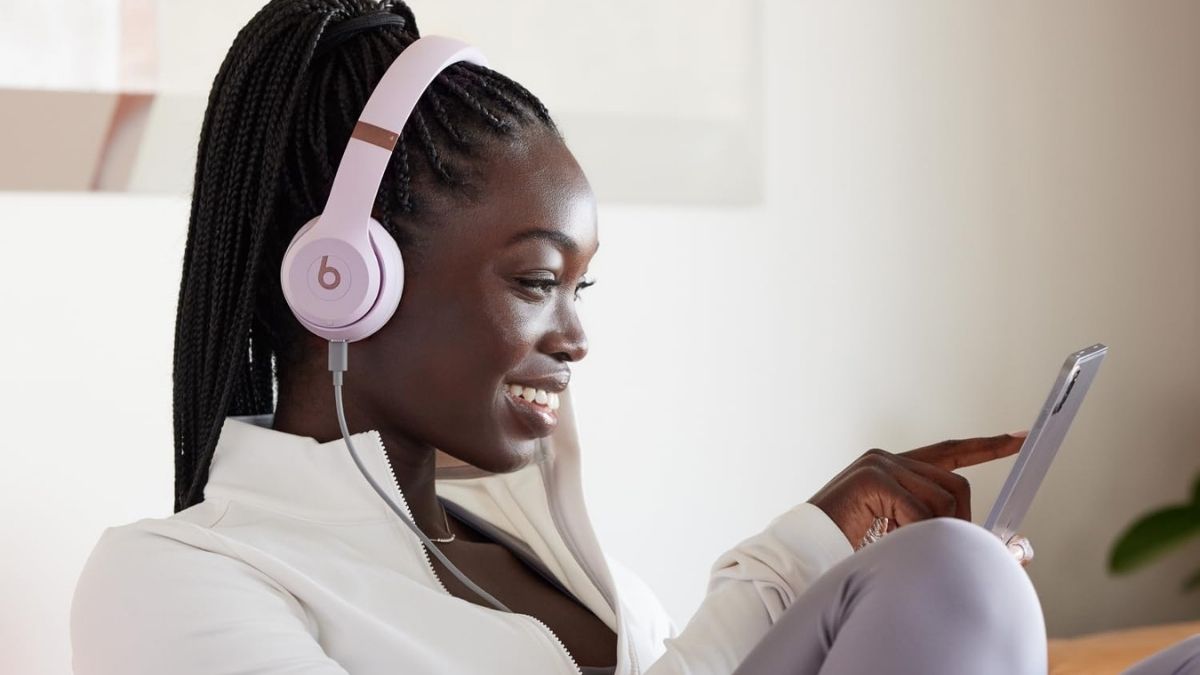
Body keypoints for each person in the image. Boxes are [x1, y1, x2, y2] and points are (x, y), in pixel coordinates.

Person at [68, 1, 1199, 674]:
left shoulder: (541, 548)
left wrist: (820, 545)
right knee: (954, 571)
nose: (574, 336)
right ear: (343, 281)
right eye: (536, 282)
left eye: (582, 289)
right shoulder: (179, 576)